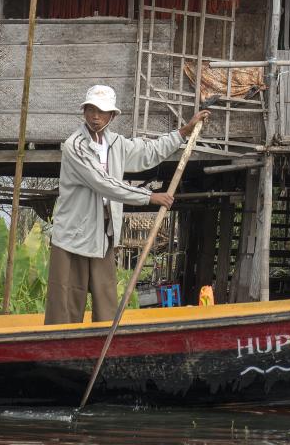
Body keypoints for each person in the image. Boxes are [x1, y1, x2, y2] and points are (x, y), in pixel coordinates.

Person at [44, 84, 209, 325]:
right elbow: (103, 183)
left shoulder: (115, 144)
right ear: (84, 112)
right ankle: (60, 355)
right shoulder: (75, 146)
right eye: (90, 109)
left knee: (107, 307)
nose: (95, 116)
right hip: (72, 238)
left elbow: (148, 152)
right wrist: (149, 197)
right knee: (65, 311)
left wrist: (183, 132)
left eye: (101, 111)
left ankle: (105, 352)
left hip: (103, 237)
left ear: (112, 115)